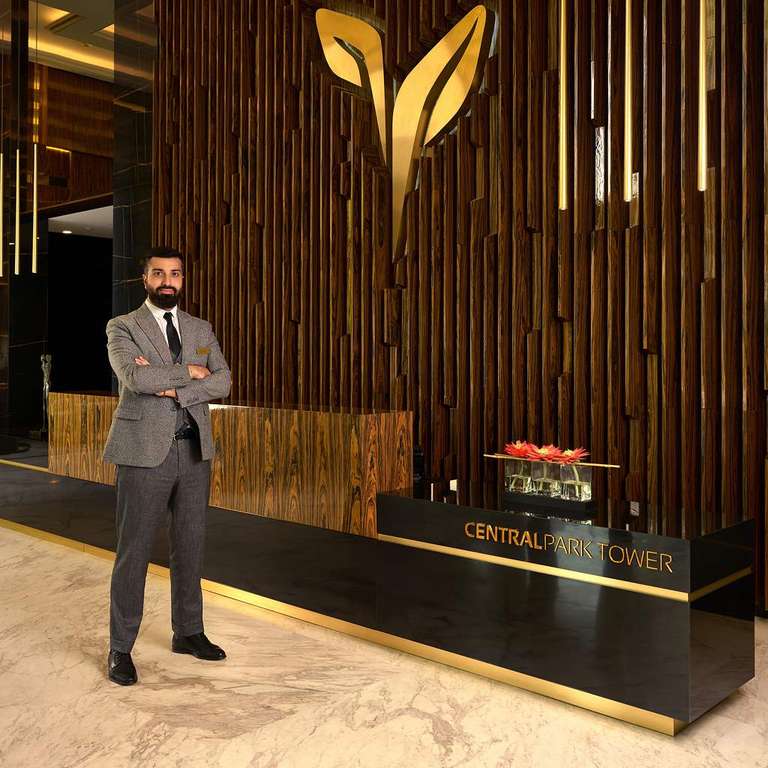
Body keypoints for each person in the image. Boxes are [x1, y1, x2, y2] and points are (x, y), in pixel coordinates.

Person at [102, 246, 232, 685]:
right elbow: (134, 378)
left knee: (190, 546)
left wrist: (172, 386)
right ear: (145, 279)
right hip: (143, 453)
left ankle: (189, 632)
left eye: (174, 274)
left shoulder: (200, 328)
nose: (167, 281)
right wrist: (190, 373)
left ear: (182, 279)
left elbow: (224, 380)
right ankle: (120, 647)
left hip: (194, 452)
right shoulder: (123, 326)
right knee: (134, 551)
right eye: (158, 273)